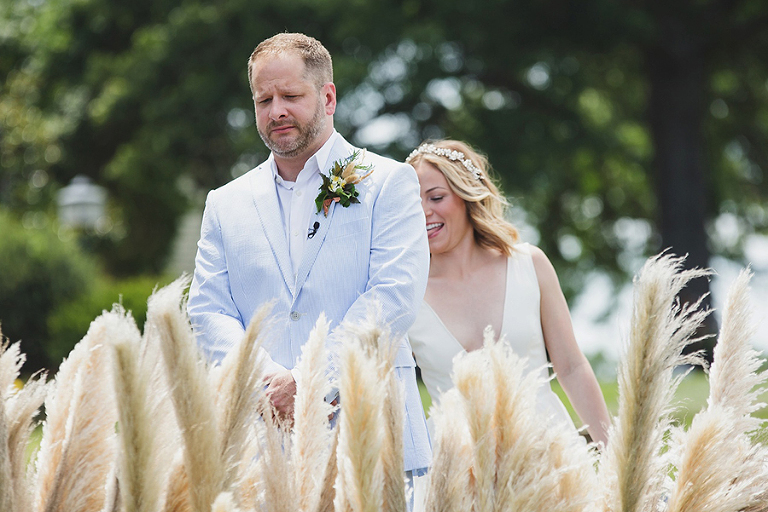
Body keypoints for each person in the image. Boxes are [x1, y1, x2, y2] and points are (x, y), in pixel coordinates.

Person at [187, 33, 432, 497]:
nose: (276, 110)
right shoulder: (225, 203)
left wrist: (309, 381)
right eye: (264, 99)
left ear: (328, 96)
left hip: (370, 433)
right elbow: (207, 311)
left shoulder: (389, 182)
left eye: (291, 96)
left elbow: (393, 298)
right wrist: (263, 382)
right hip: (260, 446)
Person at [405, 140, 611, 446]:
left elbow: (571, 367)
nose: (424, 211)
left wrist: (616, 453)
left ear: (466, 196)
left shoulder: (529, 265)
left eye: (436, 197)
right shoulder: (406, 293)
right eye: (412, 202)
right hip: (456, 472)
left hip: (546, 458)